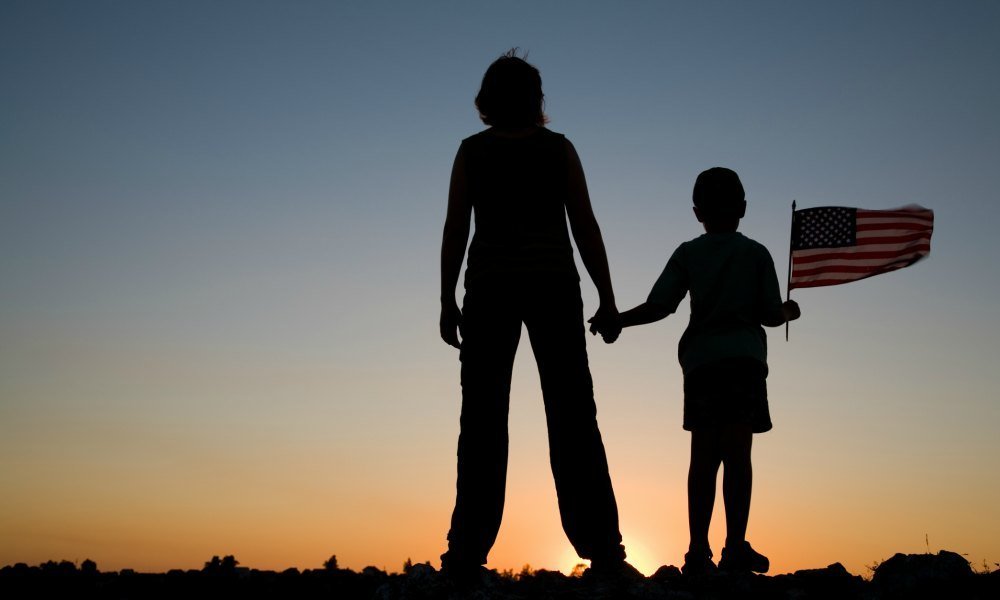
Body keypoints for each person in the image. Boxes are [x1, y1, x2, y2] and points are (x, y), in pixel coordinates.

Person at [438, 50, 637, 584]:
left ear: (487, 99)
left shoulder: (474, 152)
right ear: (537, 99)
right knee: (571, 417)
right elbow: (585, 226)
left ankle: (467, 550)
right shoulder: (557, 150)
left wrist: (446, 298)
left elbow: (457, 229)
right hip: (549, 288)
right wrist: (607, 297)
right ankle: (604, 550)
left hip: (491, 290)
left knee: (482, 421)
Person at [590, 167, 801, 575]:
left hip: (702, 365)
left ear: (696, 212)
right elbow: (769, 314)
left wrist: (618, 319)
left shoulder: (688, 253)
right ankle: (735, 545)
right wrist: (790, 310)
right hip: (744, 362)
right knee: (738, 455)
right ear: (743, 208)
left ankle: (698, 552)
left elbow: (660, 306)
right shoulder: (756, 253)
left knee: (703, 458)